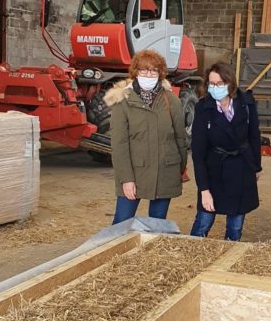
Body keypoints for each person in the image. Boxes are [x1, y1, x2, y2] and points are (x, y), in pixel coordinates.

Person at [105, 49, 187, 225]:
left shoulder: (171, 100)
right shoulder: (123, 102)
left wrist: (180, 168)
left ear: (160, 73)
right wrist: (126, 179)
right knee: (121, 222)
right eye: (143, 70)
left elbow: (180, 138)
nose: (148, 74)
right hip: (135, 172)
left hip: (165, 171)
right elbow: (119, 145)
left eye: (153, 70)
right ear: (136, 72)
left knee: (157, 224)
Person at [189, 61, 262, 242]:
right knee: (204, 220)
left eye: (220, 84)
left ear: (230, 84)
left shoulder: (246, 104)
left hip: (242, 167)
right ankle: (191, 251)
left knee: (235, 224)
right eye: (211, 84)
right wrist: (204, 189)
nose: (215, 88)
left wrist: (256, 166)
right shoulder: (203, 108)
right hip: (214, 168)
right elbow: (198, 151)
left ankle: (230, 248)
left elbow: (254, 136)